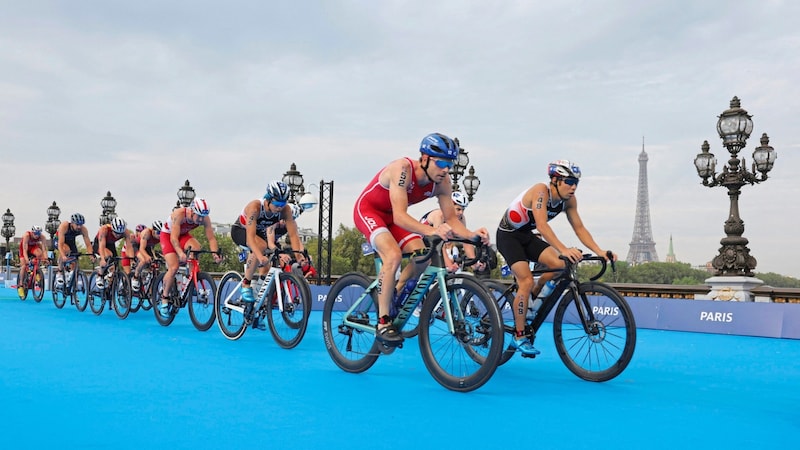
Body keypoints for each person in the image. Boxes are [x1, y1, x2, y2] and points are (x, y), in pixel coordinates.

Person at [353, 132, 490, 347]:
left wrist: (472, 235)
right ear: (424, 158)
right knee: (393, 255)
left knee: (424, 256)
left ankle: (398, 291)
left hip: (393, 219)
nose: (446, 169)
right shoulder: (403, 169)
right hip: (370, 212)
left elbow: (453, 220)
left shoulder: (442, 181)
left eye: (450, 164)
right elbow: (400, 215)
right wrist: (430, 231)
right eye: (442, 162)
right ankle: (382, 321)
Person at [496, 159, 616, 356]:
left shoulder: (569, 200)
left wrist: (599, 251)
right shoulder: (541, 191)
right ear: (555, 180)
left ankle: (534, 297)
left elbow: (579, 228)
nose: (573, 186)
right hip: (508, 236)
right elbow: (542, 225)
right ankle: (519, 335)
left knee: (560, 266)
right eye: (569, 181)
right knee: (525, 280)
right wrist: (564, 248)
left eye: (576, 182)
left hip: (527, 235)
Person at [231, 181, 307, 302]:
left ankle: (257, 303)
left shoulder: (285, 210)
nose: (279, 207)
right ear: (268, 199)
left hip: (259, 233)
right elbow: (251, 240)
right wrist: (260, 257)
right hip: (241, 230)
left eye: (283, 204)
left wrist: (298, 256)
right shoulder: (255, 207)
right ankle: (246, 283)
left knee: (269, 262)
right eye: (277, 203)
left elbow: (293, 235)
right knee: (260, 246)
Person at [159, 198, 222, 315]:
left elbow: (211, 238)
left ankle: (190, 280)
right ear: (192, 212)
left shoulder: (204, 218)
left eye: (203, 217)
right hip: (168, 236)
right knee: (174, 267)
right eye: (198, 217)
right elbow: (173, 238)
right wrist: (180, 253)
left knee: (196, 247)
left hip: (183, 235)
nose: (201, 220)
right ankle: (164, 298)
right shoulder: (179, 214)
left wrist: (215, 253)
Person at [419, 191, 486, 274]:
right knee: (421, 270)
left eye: (463, 209)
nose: (461, 212)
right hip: (421, 240)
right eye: (458, 209)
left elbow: (466, 241)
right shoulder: (439, 216)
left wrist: (474, 262)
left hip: (434, 243)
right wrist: (449, 265)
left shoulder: (461, 218)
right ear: (450, 206)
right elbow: (439, 244)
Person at [93, 217, 136, 289]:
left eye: (120, 234)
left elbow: (129, 247)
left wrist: (132, 260)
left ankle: (109, 287)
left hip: (110, 244)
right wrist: (103, 259)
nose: (118, 235)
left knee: (115, 266)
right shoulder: (104, 229)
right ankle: (99, 275)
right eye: (116, 233)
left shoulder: (126, 232)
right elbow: (102, 246)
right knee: (108, 255)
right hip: (99, 244)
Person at [54, 213, 95, 287]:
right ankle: (59, 272)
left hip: (71, 241)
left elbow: (88, 244)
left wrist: (91, 255)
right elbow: (60, 244)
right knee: (66, 250)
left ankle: (71, 278)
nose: (79, 227)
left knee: (75, 260)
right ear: (72, 223)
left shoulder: (83, 229)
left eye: (81, 225)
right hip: (59, 240)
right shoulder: (64, 226)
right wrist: (63, 255)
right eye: (77, 224)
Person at [131, 220, 163, 292]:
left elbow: (154, 249)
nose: (159, 235)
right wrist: (147, 257)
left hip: (148, 247)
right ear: (153, 230)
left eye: (161, 233)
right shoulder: (146, 233)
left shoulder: (161, 236)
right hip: (138, 246)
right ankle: (135, 277)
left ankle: (152, 286)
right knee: (144, 260)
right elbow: (142, 249)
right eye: (158, 233)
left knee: (155, 264)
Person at [18, 226, 48, 295]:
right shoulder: (27, 235)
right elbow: (25, 250)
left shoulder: (42, 237)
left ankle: (36, 271)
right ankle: (21, 285)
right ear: (32, 232)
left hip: (32, 247)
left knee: (39, 254)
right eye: (35, 234)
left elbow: (44, 249)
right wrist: (26, 260)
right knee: (23, 265)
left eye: (38, 234)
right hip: (24, 249)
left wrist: (46, 259)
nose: (37, 236)